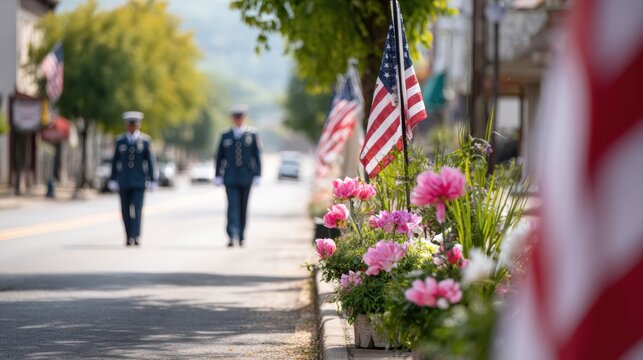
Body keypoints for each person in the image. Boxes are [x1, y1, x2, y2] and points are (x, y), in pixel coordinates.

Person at [214, 104, 262, 247]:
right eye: (235, 117)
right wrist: (217, 174)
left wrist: (258, 174)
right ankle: (231, 235)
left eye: (240, 117)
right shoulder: (225, 135)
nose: (238, 120)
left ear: (244, 118)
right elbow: (219, 156)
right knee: (232, 206)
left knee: (243, 207)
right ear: (232, 118)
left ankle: (241, 235)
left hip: (246, 177)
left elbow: (257, 156)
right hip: (230, 177)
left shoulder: (252, 135)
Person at [108, 111, 157, 246]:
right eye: (130, 124)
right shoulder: (120, 141)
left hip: (139, 182)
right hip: (123, 182)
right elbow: (115, 161)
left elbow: (150, 161)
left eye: (135, 124)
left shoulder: (145, 141)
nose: (132, 127)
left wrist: (153, 179)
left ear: (139, 125)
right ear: (126, 125)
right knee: (125, 210)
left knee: (137, 210)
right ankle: (128, 235)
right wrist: (112, 178)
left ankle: (136, 236)